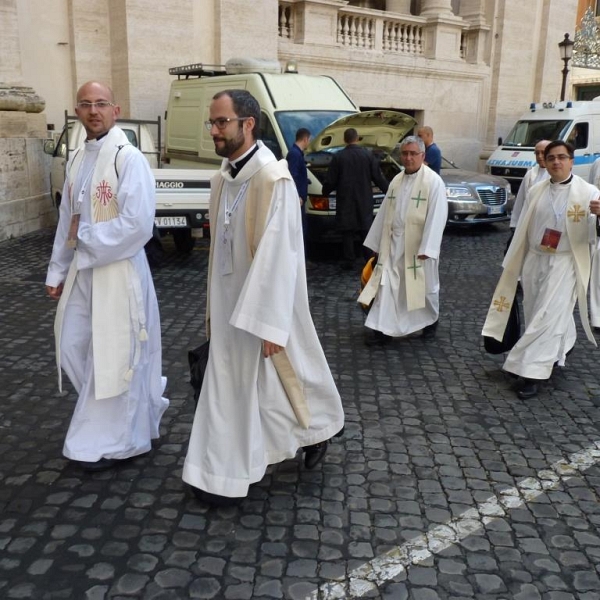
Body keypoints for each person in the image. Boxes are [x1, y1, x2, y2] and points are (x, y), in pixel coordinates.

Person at [182, 89, 345, 503]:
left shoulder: (275, 180)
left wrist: (270, 322)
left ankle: (303, 436)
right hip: (227, 305)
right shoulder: (221, 179)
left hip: (262, 307)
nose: (215, 130)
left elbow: (281, 255)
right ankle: (220, 470)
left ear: (247, 124)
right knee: (239, 387)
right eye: (213, 122)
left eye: (222, 122)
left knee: (275, 378)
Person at [45, 81, 169, 471]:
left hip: (118, 271)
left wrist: (84, 240)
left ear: (116, 110)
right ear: (77, 111)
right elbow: (67, 217)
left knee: (115, 354)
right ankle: (116, 417)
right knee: (72, 343)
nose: (93, 110)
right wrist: (57, 269)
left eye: (101, 104)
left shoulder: (128, 158)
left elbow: (137, 226)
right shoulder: (79, 157)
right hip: (84, 270)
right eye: (85, 104)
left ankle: (116, 439)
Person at [482, 140, 600, 399]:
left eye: (562, 157)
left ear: (571, 161)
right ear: (544, 163)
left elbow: (594, 234)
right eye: (551, 158)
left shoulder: (589, 192)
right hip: (535, 260)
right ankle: (559, 348)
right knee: (537, 311)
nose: (556, 162)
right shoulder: (536, 190)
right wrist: (514, 263)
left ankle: (531, 373)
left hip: (565, 263)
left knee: (546, 315)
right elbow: (523, 228)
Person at [358, 136, 448, 345]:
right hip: (393, 243)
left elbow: (437, 216)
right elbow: (384, 213)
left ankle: (430, 320)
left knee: (423, 289)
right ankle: (383, 330)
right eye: (405, 154)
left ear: (422, 156)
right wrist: (376, 244)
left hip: (418, 247)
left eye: (412, 154)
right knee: (387, 285)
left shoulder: (433, 182)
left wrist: (429, 247)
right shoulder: (396, 181)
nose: (408, 158)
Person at [321, 127, 389, 270]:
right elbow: (378, 177)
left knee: (347, 232)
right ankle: (369, 260)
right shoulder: (368, 156)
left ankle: (349, 260)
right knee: (366, 231)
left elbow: (331, 180)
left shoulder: (339, 157)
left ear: (345, 140)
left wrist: (325, 191)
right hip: (364, 199)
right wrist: (389, 191)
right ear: (357, 139)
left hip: (346, 200)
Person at [286, 127, 313, 266]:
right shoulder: (295, 155)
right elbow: (293, 175)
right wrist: (297, 195)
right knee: (300, 229)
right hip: (298, 200)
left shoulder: (296, 154)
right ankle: (300, 260)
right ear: (305, 139)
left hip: (300, 199)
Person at [510, 139, 551, 230]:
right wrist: (514, 223)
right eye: (537, 153)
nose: (540, 156)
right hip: (529, 222)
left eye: (543, 152)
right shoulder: (530, 174)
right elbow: (520, 200)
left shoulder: (555, 174)